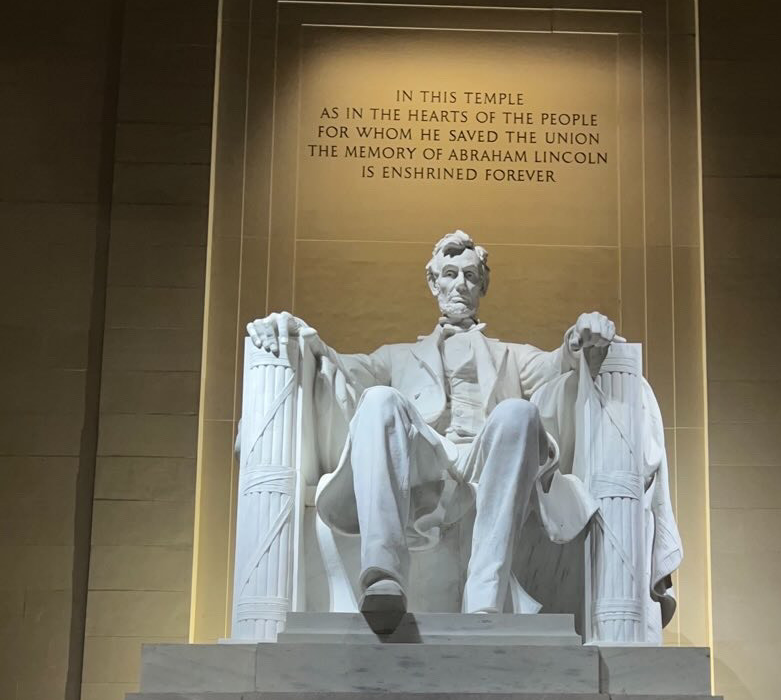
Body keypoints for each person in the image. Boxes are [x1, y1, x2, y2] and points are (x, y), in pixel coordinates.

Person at [244, 229, 682, 629]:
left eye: (471, 277)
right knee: (378, 400)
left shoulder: (510, 355)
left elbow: (556, 364)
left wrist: (580, 337)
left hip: (488, 458)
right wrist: (301, 337)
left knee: (517, 413)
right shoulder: (395, 357)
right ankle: (383, 578)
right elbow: (339, 369)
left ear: (482, 288)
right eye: (450, 275)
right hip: (423, 459)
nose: (461, 285)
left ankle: (485, 598)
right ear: (433, 283)